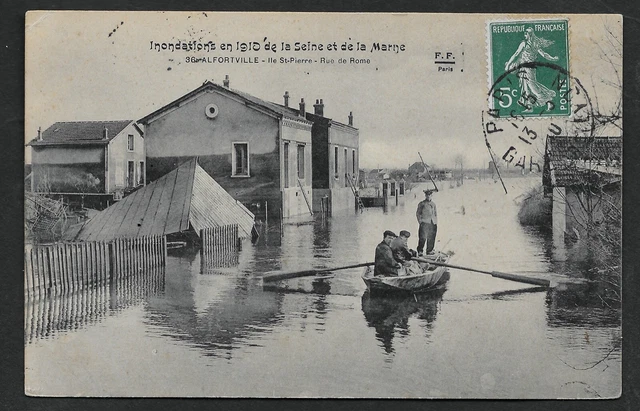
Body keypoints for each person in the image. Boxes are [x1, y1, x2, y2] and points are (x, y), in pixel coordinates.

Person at [504, 27, 559, 113]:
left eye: (526, 34)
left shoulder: (525, 43)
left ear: (529, 35)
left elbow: (516, 54)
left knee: (532, 86)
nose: (524, 35)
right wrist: (552, 58)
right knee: (526, 87)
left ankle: (547, 100)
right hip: (526, 68)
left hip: (528, 68)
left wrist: (508, 64)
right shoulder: (535, 44)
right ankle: (530, 107)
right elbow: (543, 54)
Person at [416, 189, 438, 256]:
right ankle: (420, 251)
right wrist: (420, 222)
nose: (428, 196)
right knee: (422, 237)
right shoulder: (422, 204)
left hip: (432, 223)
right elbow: (418, 214)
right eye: (427, 195)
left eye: (430, 195)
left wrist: (435, 222)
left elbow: (435, 213)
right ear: (425, 196)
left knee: (431, 237)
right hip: (425, 223)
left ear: (432, 196)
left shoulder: (433, 204)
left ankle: (429, 250)